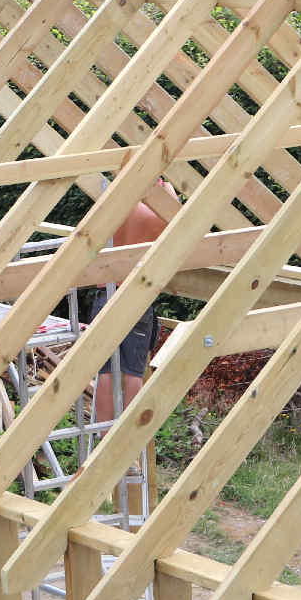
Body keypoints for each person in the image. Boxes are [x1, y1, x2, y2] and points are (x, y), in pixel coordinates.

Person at [90, 178, 178, 426]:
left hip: (106, 291)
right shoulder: (163, 202)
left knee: (105, 371)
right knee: (133, 372)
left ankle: (104, 437)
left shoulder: (118, 197)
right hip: (138, 293)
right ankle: (129, 446)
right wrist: (168, 190)